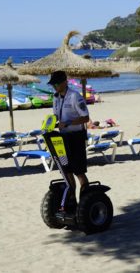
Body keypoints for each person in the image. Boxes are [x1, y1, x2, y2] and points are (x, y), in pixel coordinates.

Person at [48, 70, 89, 208]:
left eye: (57, 84)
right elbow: (55, 117)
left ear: (65, 82)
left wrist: (69, 123)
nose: (55, 86)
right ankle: (72, 200)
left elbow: (86, 118)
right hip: (62, 138)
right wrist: (49, 123)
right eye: (53, 84)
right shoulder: (55, 98)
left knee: (79, 171)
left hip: (76, 137)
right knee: (67, 170)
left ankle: (85, 201)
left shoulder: (75, 97)